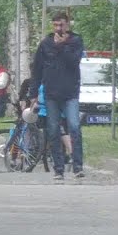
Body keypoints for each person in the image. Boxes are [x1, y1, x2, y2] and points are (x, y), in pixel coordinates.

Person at [33, 11, 86, 180]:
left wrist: (62, 46)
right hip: (51, 94)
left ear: (68, 25)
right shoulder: (45, 44)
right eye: (55, 25)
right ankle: (58, 168)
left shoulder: (75, 41)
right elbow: (37, 70)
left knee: (74, 127)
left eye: (61, 25)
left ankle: (77, 165)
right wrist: (33, 93)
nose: (58, 28)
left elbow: (74, 61)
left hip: (70, 93)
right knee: (54, 130)